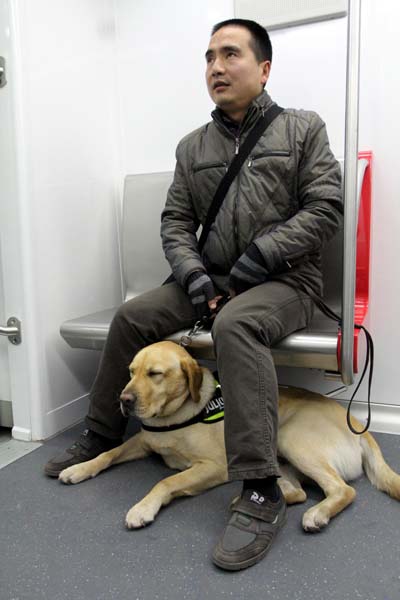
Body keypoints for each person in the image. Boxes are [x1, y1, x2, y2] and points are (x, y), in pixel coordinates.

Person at [45, 18, 342, 570]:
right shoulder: (193, 146)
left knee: (236, 325)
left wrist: (260, 256)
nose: (216, 67)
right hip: (211, 279)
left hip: (285, 280)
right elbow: (175, 222)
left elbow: (325, 209)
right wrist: (196, 276)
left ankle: (259, 487)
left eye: (230, 54)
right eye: (209, 57)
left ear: (264, 67)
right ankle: (101, 432)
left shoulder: (304, 129)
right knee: (134, 315)